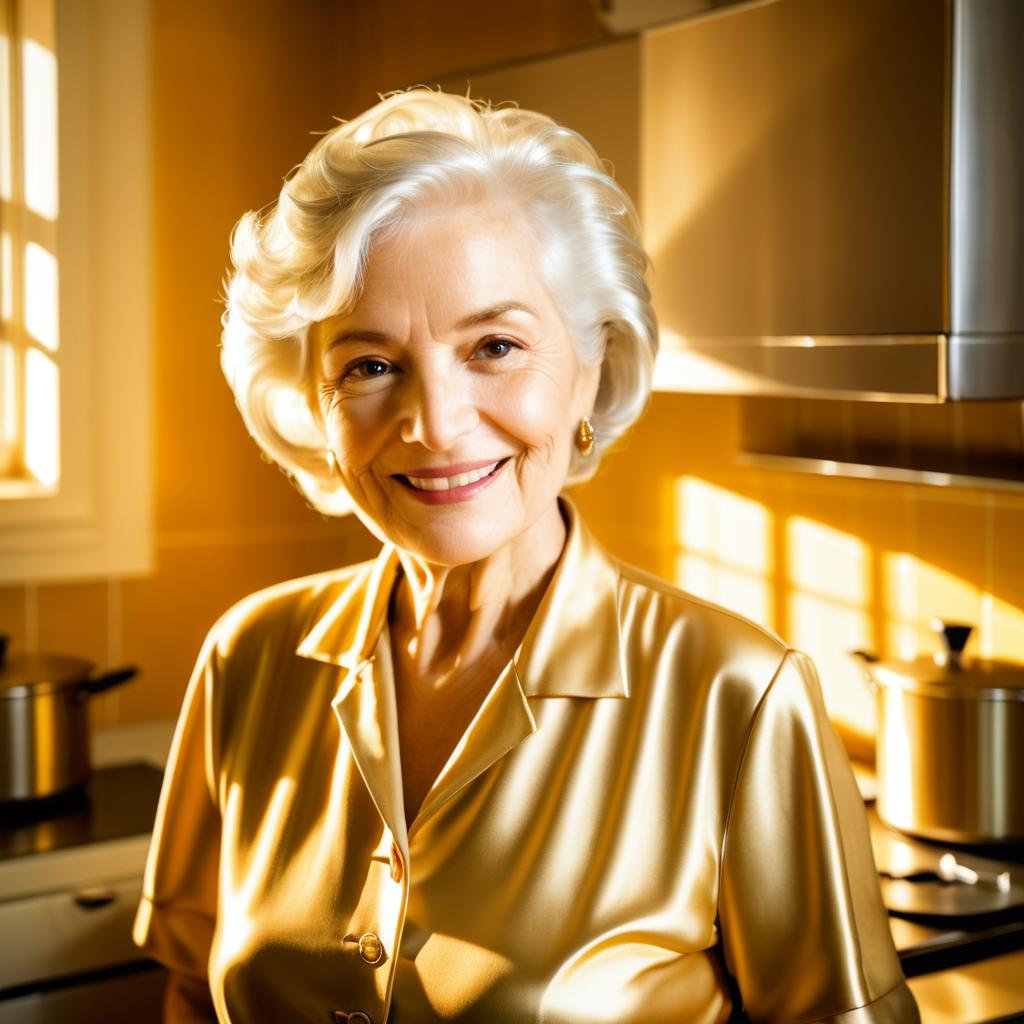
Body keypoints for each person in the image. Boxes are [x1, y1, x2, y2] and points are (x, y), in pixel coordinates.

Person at [134, 89, 919, 1023]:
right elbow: (190, 986)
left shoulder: (738, 695)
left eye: (496, 346)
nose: (434, 423)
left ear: (593, 364)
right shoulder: (248, 658)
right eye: (369, 365)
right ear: (313, 398)